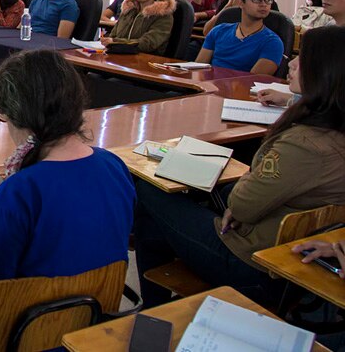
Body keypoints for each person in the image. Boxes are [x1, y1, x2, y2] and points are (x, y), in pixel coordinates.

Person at [135, 25, 345, 308]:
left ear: (325, 72)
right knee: (183, 204)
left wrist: (243, 195)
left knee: (149, 189)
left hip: (250, 260)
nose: (292, 64)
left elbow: (243, 205)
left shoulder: (305, 144)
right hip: (281, 245)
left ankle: (153, 307)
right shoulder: (333, 125)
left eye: (302, 58)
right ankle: (156, 305)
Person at [0, 49, 135, 282]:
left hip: (30, 315)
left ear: (16, 112)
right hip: (101, 308)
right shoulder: (114, 167)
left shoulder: (19, 194)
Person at [196, 0, 283, 75]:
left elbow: (253, 81)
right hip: (207, 86)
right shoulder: (219, 31)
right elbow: (198, 68)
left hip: (240, 89)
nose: (263, 4)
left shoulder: (272, 42)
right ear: (241, 2)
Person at [101, 0, 176, 55]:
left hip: (147, 61)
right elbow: (113, 35)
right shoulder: (128, 11)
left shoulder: (163, 15)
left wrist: (115, 42)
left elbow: (147, 44)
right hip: (120, 57)